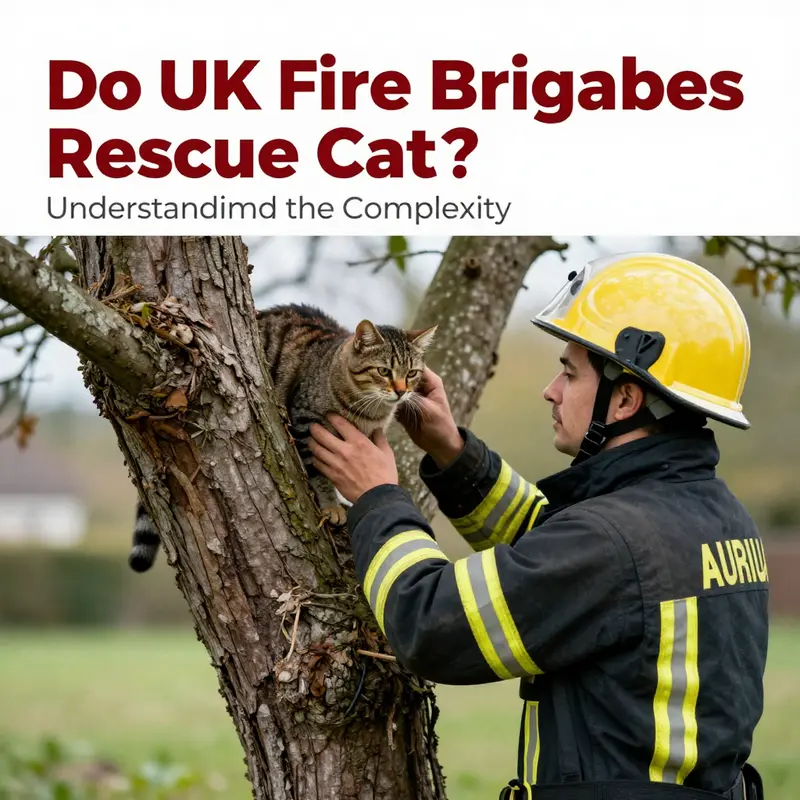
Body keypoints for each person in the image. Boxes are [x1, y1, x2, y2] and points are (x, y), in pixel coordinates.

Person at [308, 252, 768, 800]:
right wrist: (452, 453)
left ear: (625, 398)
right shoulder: (715, 516)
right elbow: (551, 548)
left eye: (570, 373)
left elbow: (429, 623)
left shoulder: (613, 542)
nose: (551, 389)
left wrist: (378, 497)